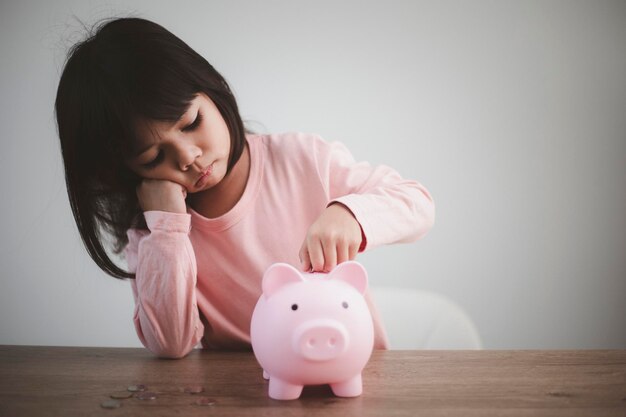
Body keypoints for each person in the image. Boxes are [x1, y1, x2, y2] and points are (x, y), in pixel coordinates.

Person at [55, 17, 435, 358]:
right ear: (127, 171)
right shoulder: (155, 230)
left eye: (191, 123)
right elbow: (170, 343)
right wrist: (167, 230)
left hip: (347, 373)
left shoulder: (301, 159)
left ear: (211, 89)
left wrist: (351, 214)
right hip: (240, 393)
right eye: (154, 157)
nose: (188, 156)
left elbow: (417, 204)